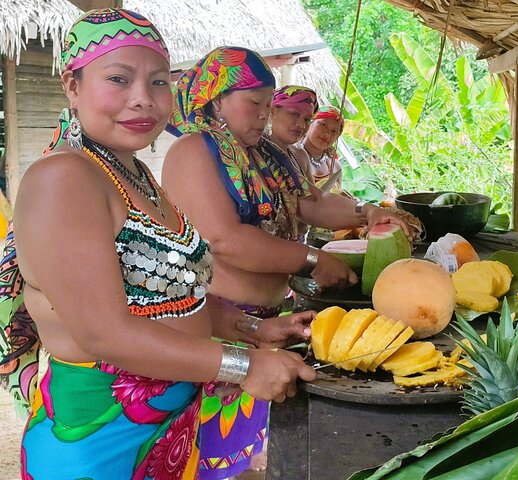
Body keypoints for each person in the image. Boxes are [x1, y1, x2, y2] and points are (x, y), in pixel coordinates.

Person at [3, 11, 314, 479]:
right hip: (98, 445)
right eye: (118, 79)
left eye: (158, 83)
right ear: (73, 85)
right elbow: (104, 333)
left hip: (167, 432)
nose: (142, 100)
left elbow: (170, 299)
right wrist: (242, 365)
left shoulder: (133, 174)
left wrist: (250, 328)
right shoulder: (63, 178)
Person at [163, 48, 410, 478]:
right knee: (201, 454)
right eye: (252, 103)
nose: (263, 115)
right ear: (216, 100)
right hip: (216, 324)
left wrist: (365, 212)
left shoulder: (270, 155)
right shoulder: (193, 153)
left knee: (246, 449)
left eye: (266, 103)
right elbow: (225, 240)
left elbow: (312, 206)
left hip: (266, 325)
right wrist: (312, 259)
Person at [297, 105, 345, 189]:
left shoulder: (335, 167)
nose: (327, 134)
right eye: (323, 124)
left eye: (334, 131)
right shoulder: (292, 154)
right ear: (310, 123)